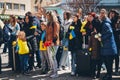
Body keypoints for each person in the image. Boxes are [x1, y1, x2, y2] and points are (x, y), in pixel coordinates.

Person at [99, 9, 117, 80]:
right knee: (107, 62)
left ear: (105, 14)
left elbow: (110, 33)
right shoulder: (105, 22)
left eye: (102, 14)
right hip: (107, 47)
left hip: (109, 47)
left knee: (109, 62)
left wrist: (101, 38)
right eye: (100, 14)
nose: (100, 15)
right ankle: (108, 74)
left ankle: (109, 76)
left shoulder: (106, 23)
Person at [45, 11, 60, 78]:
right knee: (50, 57)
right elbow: (47, 34)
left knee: (53, 57)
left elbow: (56, 34)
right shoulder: (48, 23)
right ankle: (52, 70)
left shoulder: (55, 23)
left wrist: (53, 42)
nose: (47, 17)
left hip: (53, 43)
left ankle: (55, 72)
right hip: (48, 43)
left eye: (48, 15)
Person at [108, 9, 120, 75]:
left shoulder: (117, 21)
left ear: (115, 14)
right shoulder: (109, 20)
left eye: (113, 13)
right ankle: (111, 70)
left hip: (117, 40)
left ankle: (116, 69)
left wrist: (113, 30)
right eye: (110, 13)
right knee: (111, 55)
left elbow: (118, 30)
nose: (111, 14)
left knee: (116, 55)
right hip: (111, 40)